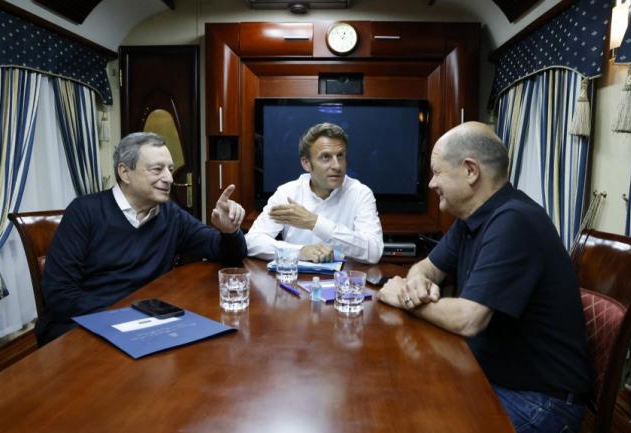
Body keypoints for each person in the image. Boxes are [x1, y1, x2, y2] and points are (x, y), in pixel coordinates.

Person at [378, 122, 591, 433]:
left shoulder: (514, 220)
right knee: (398, 398)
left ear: (470, 171)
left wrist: (404, 299)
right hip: (494, 376)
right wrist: (415, 283)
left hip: (541, 402)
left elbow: (469, 319)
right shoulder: (473, 217)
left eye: (437, 172)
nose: (431, 184)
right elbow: (427, 267)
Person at [36, 132, 247, 345]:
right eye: (157, 169)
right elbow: (59, 292)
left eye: (171, 170)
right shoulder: (84, 211)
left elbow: (226, 253)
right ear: (125, 172)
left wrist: (229, 231)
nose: (169, 178)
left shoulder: (170, 214)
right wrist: (125, 318)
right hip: (86, 324)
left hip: (147, 323)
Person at [245, 122, 383, 264]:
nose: (337, 166)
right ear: (306, 163)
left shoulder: (360, 194)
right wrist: (299, 251)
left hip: (344, 282)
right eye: (326, 157)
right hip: (295, 282)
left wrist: (314, 222)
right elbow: (252, 241)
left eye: (340, 156)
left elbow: (374, 251)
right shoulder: (287, 193)